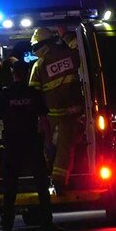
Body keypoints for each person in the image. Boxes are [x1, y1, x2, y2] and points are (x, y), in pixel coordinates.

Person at [0, 61, 64, 231]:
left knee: (10, 187)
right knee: (41, 186)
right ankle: (46, 225)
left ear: (13, 74)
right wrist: (48, 143)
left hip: (12, 145)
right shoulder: (34, 94)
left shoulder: (4, 95)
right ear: (27, 73)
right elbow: (44, 121)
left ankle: (6, 228)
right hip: (32, 144)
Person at [29, 27, 83, 193]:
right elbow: (82, 51)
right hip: (72, 113)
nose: (34, 50)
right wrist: (65, 34)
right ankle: (56, 180)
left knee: (54, 148)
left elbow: (33, 95)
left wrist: (37, 119)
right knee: (64, 148)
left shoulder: (39, 65)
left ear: (42, 44)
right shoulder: (70, 55)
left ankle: (55, 181)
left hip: (52, 116)